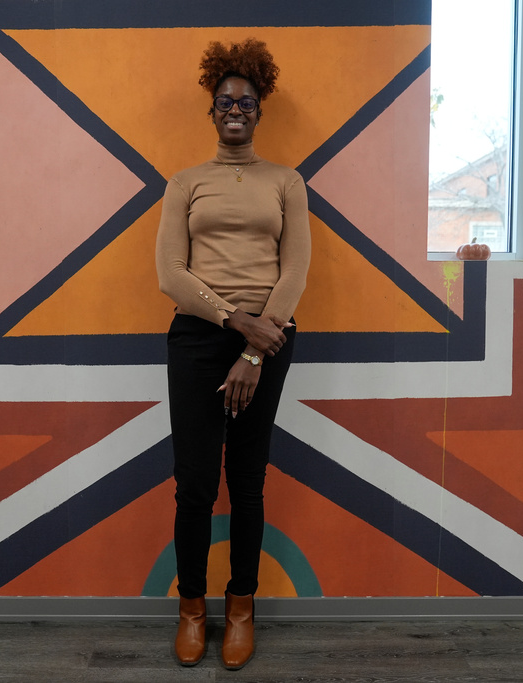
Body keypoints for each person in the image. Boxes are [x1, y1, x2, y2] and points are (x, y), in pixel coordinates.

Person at [155, 38, 311, 670]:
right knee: (194, 484)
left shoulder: (287, 182)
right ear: (212, 110)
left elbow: (295, 269)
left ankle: (241, 607)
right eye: (226, 101)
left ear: (260, 110)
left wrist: (253, 347)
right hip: (198, 338)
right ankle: (192, 609)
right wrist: (232, 320)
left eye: (246, 101)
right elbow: (171, 273)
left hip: (268, 339)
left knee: (247, 481)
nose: (236, 110)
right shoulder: (185, 183)